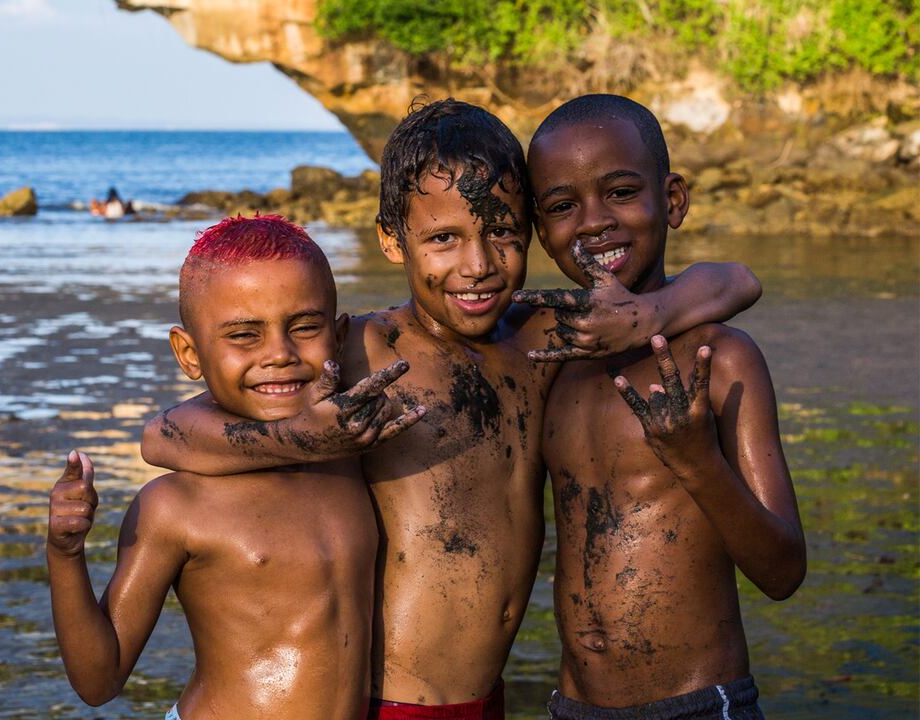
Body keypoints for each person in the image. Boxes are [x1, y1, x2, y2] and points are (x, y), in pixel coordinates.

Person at [140, 99, 763, 719]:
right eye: (444, 239)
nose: (478, 266)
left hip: (487, 698)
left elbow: (735, 281)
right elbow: (166, 436)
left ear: (532, 232)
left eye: (502, 234)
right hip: (391, 700)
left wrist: (651, 314)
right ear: (391, 239)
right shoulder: (364, 349)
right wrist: (302, 438)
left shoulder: (540, 340)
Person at [47, 215, 419, 719]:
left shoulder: (350, 457)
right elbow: (98, 679)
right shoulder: (175, 506)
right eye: (244, 335)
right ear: (188, 352)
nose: (279, 355)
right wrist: (65, 553)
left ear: (337, 334)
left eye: (304, 327)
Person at [523, 94, 805, 720]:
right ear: (541, 230)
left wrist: (696, 461)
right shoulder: (551, 358)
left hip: (699, 705)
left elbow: (784, 571)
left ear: (672, 200)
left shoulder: (721, 359)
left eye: (621, 192)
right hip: (573, 706)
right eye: (563, 207)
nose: (594, 223)